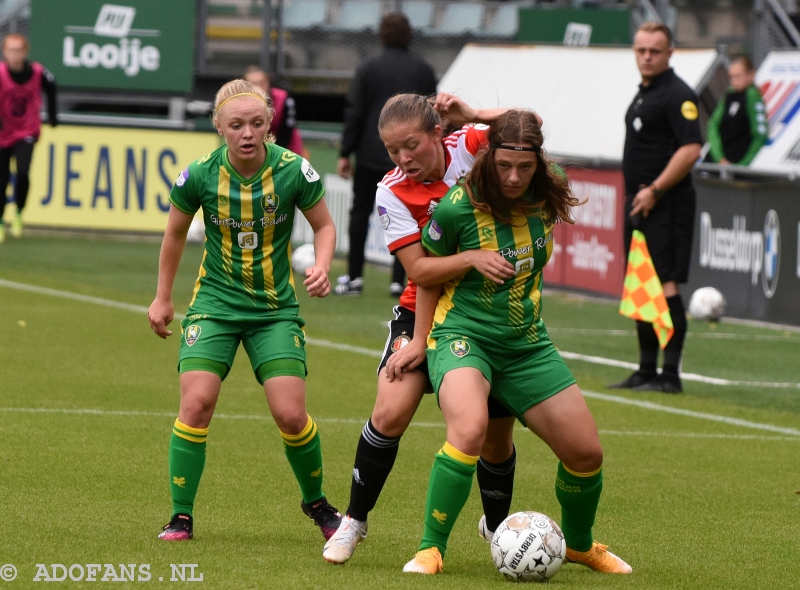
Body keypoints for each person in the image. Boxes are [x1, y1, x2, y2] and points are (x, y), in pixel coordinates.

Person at [399, 109, 632, 576]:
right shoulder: (458, 207)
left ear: (538, 162)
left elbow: (533, 124)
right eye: (504, 165)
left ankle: (581, 546)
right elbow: (424, 276)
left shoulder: (549, 185)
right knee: (468, 432)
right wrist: (420, 339)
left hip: (527, 344)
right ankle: (430, 549)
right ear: (489, 156)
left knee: (586, 453)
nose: (513, 176)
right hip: (464, 336)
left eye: (524, 167)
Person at [322, 93, 520, 565]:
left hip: (485, 310)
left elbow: (524, 128)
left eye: (411, 145)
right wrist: (422, 336)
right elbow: (421, 271)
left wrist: (472, 114)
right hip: (419, 309)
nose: (402, 158)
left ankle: (498, 530)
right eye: (392, 150)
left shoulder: (471, 145)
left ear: (437, 133)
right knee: (390, 411)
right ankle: (353, 521)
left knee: (495, 432)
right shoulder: (390, 189)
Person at [147, 79, 342, 542]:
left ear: (269, 124)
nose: (247, 133)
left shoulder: (295, 170)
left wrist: (322, 265)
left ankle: (317, 504)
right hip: (214, 305)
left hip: (274, 311)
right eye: (236, 125)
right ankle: (181, 517)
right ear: (219, 127)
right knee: (196, 403)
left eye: (256, 123)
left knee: (291, 415)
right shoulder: (198, 174)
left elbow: (325, 226)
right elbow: (174, 234)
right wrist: (163, 297)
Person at [609, 22, 702, 394]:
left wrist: (657, 190)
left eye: (654, 51)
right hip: (640, 204)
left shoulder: (679, 95)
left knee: (665, 285)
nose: (646, 57)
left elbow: (691, 148)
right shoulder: (645, 93)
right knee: (640, 285)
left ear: (669, 54)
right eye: (641, 50)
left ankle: (670, 375)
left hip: (667, 205)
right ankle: (646, 371)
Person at [335, 12, 437, 297]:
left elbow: (354, 111)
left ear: (381, 34)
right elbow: (433, 114)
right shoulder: (424, 69)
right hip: (413, 160)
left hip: (371, 153)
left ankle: (354, 277)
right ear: (409, 35)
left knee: (360, 213)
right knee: (415, 215)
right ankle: (400, 280)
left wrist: (346, 152)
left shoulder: (368, 67)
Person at [0, 33, 57, 243]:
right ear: (4, 51)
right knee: (2, 179)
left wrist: (52, 116)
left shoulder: (38, 72)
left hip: (26, 130)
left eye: (19, 50)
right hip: (2, 133)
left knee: (22, 172)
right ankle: (0, 221)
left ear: (25, 52)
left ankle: (18, 212)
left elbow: (51, 87)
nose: (15, 55)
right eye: (10, 50)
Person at [706, 56, 767, 166]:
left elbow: (760, 135)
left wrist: (742, 165)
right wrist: (719, 157)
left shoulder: (752, 96)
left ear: (751, 75)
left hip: (735, 163)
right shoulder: (730, 93)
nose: (733, 81)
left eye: (738, 76)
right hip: (716, 161)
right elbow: (713, 124)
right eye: (731, 77)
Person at [243, 65, 309, 159]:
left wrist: (274, 156)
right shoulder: (240, 104)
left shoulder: (284, 98)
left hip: (287, 150)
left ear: (268, 82)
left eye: (262, 82)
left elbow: (287, 132)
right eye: (254, 83)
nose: (259, 87)